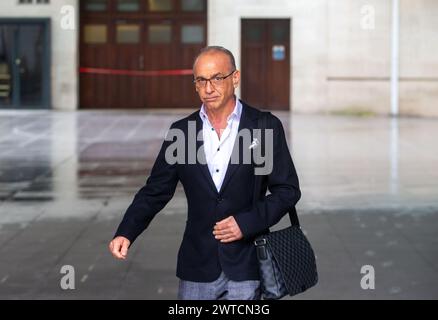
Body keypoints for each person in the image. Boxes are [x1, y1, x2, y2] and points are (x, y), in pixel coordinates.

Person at [109, 46, 301, 300]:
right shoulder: (183, 133)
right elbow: (156, 191)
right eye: (201, 80)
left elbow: (286, 190)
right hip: (197, 265)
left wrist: (246, 223)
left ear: (235, 78)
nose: (208, 88)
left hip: (247, 264)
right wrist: (126, 231)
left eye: (217, 78)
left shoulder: (262, 128)